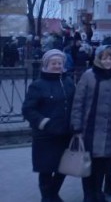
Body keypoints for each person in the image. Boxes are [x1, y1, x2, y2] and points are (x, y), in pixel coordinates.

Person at [71, 46, 111, 202]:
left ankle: (98, 192)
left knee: (103, 162)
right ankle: (88, 194)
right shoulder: (89, 75)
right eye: (104, 58)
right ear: (98, 59)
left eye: (110, 58)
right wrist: (76, 125)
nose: (108, 61)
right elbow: (78, 102)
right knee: (88, 162)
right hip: (90, 126)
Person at [22, 50, 75, 202]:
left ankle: (53, 194)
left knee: (63, 167)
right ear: (46, 65)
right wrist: (44, 122)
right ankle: (47, 197)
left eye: (59, 63)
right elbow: (28, 109)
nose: (57, 66)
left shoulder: (68, 82)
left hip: (65, 133)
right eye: (53, 63)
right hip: (46, 135)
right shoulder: (38, 85)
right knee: (46, 168)